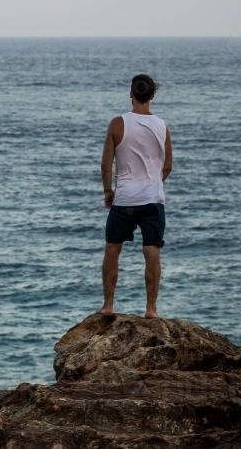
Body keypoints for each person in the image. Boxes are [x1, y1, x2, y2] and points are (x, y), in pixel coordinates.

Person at [99, 74, 173, 319]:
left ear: (131, 93)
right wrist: (152, 183)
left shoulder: (117, 123)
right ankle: (151, 310)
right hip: (153, 199)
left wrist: (109, 191)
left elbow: (106, 164)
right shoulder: (162, 126)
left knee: (112, 250)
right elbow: (168, 165)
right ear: (152, 95)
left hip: (125, 199)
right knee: (152, 252)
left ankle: (108, 305)